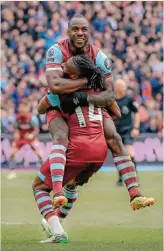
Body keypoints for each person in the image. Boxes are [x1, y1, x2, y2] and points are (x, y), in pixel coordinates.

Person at [40, 14, 154, 211]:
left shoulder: (100, 57)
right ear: (68, 32)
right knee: (61, 136)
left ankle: (134, 193)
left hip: (88, 103)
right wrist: (87, 82)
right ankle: (58, 190)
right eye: (75, 29)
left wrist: (83, 98)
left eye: (84, 29)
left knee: (114, 137)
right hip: (60, 104)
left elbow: (109, 96)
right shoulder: (56, 51)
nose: (80, 33)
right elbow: (54, 84)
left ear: (89, 32)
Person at [114, 79, 140, 186]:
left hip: (127, 130)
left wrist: (136, 127)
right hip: (116, 131)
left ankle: (134, 178)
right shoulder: (112, 101)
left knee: (130, 153)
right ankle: (121, 178)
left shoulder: (129, 100)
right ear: (117, 88)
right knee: (119, 155)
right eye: (122, 87)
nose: (124, 89)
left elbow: (137, 112)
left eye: (124, 87)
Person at [7, 103, 43, 180]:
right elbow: (16, 128)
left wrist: (32, 135)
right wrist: (16, 134)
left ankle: (44, 172)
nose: (22, 110)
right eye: (20, 108)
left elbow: (36, 130)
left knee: (39, 154)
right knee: (12, 154)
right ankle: (12, 172)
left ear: (27, 108)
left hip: (31, 138)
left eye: (23, 108)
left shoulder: (32, 118)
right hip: (21, 138)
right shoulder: (17, 118)